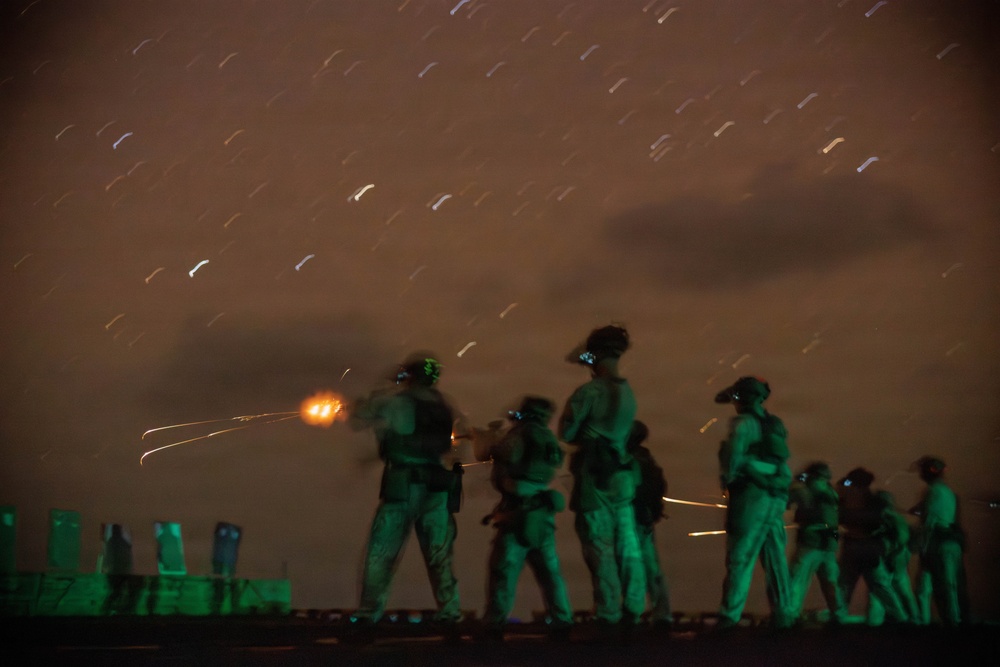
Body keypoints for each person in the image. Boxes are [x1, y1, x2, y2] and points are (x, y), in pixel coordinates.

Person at [347, 355, 462, 639]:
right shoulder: (444, 405)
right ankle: (450, 615)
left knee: (381, 554)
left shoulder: (396, 401)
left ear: (408, 376)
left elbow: (358, 418)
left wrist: (384, 386)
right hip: (436, 486)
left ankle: (367, 616)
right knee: (439, 556)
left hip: (404, 485)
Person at [559, 324, 646, 632]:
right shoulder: (628, 392)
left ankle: (608, 613)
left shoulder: (589, 392)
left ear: (594, 358)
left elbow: (566, 432)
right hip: (622, 473)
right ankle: (635, 606)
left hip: (594, 476)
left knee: (599, 545)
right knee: (628, 544)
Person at [481, 397, 573, 641]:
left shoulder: (521, 435)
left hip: (518, 513)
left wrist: (493, 438)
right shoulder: (548, 438)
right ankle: (562, 621)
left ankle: (495, 624)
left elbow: (501, 455)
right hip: (542, 514)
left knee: (504, 571)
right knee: (550, 574)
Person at [715, 376, 795, 629]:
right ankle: (784, 615)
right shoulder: (775, 425)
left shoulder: (743, 423)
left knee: (740, 557)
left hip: (751, 496)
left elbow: (734, 464)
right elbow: (782, 465)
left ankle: (729, 616)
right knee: (775, 559)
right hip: (776, 497)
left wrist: (732, 478)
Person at [836, 467, 908, 624]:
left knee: (844, 586)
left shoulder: (847, 500)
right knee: (881, 587)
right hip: (870, 548)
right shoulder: (877, 501)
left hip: (854, 547)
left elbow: (841, 518)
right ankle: (901, 618)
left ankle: (838, 619)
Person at [910, 456, 969, 626]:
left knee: (940, 586)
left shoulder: (934, 491)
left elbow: (930, 522)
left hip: (938, 545)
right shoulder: (945, 492)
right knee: (939, 585)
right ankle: (952, 622)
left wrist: (920, 545)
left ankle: (950, 623)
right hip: (947, 544)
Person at [787, 462, 847, 623]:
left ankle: (791, 615)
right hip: (828, 544)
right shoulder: (831, 493)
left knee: (797, 581)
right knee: (831, 583)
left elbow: (787, 501)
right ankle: (839, 615)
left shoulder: (806, 490)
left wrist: (796, 482)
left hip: (810, 542)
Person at [627, 420, 673, 630]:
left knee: (630, 566)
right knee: (651, 567)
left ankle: (631, 613)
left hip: (632, 518)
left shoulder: (630, 460)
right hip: (644, 518)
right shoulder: (647, 460)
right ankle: (662, 614)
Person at [870, 490, 920, 623]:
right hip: (898, 561)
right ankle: (915, 621)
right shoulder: (896, 518)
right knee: (904, 593)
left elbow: (901, 538)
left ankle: (876, 623)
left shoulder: (887, 518)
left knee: (880, 594)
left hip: (892, 561)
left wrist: (890, 552)